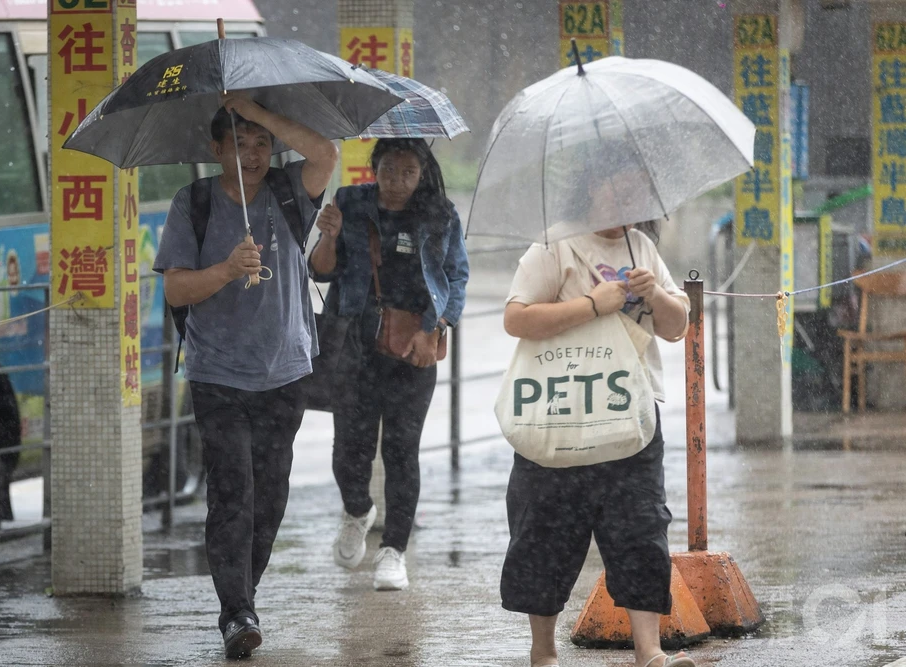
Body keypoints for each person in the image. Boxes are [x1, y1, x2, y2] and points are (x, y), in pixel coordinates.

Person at [152, 95, 337, 660]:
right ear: (216, 149)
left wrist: (254, 110)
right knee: (233, 492)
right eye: (239, 143)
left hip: (285, 369)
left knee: (270, 498)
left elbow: (325, 152)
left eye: (261, 144)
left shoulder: (288, 192)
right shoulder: (196, 202)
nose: (252, 154)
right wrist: (226, 270)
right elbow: (175, 289)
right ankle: (237, 614)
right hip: (218, 374)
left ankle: (241, 600)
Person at [500, 177, 696, 667]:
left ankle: (649, 652)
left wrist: (657, 297)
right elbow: (517, 318)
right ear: (591, 190)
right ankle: (543, 651)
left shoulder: (643, 247)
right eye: (614, 190)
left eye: (633, 194)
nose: (624, 202)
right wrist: (591, 305)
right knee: (545, 530)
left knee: (641, 527)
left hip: (630, 415)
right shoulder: (556, 244)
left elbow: (676, 329)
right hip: (560, 416)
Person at [308, 138, 469, 591]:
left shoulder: (439, 213)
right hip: (354, 343)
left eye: (408, 172)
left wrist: (434, 328)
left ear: (422, 173)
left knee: (401, 452)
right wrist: (329, 234)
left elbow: (457, 276)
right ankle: (357, 511)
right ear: (373, 168)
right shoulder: (349, 203)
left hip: (413, 345)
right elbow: (319, 271)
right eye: (389, 170)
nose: (398, 182)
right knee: (349, 450)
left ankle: (394, 551)